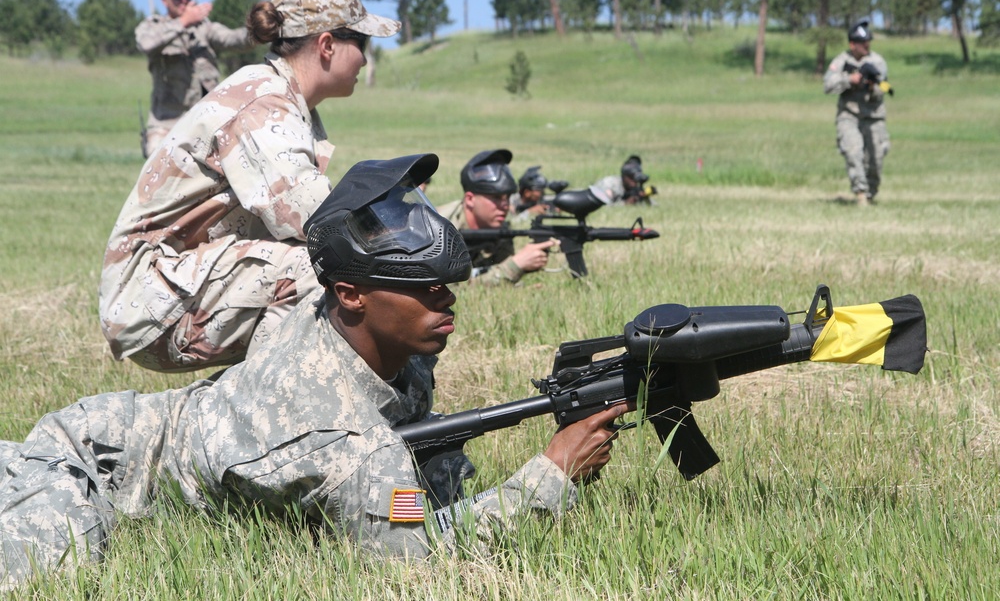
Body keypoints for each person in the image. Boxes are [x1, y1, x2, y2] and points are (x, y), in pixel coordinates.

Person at [0, 154, 626, 589]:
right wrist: (551, 473)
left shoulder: (341, 315)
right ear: (352, 294)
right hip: (84, 465)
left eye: (446, 286)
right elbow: (422, 556)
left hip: (126, 429)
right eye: (425, 288)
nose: (447, 300)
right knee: (52, 575)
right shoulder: (340, 442)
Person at [100, 0, 400, 373]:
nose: (364, 58)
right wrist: (397, 239)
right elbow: (317, 221)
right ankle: (266, 415)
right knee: (320, 270)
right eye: (360, 42)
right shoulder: (263, 105)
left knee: (337, 270)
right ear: (327, 45)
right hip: (151, 302)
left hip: (178, 285)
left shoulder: (283, 98)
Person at [136, 0, 253, 156]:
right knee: (157, 167)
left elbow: (233, 39)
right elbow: (145, 44)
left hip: (206, 120)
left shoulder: (203, 28)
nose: (183, 0)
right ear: (164, 0)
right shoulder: (154, 26)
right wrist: (183, 22)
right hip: (166, 121)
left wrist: (259, 30)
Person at [436, 149, 558, 285]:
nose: (505, 205)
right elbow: (447, 288)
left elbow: (494, 279)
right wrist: (514, 265)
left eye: (507, 197)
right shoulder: (438, 228)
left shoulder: (499, 229)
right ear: (470, 199)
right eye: (496, 197)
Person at [823, 20, 891, 207]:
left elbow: (886, 87)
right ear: (852, 44)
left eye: (868, 41)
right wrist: (849, 80)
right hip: (849, 115)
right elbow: (827, 85)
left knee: (876, 159)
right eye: (863, 42)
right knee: (853, 152)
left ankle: (870, 192)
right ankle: (860, 193)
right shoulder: (841, 61)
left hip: (873, 116)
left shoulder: (877, 62)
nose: (867, 45)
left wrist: (873, 87)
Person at [590, 155, 656, 205]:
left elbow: (654, 207)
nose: (634, 182)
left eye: (636, 178)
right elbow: (603, 206)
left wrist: (645, 198)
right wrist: (625, 203)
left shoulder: (634, 189)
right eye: (631, 177)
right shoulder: (610, 184)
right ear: (624, 176)